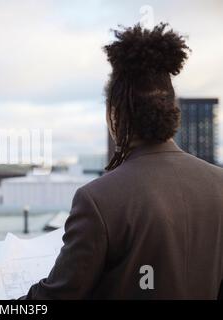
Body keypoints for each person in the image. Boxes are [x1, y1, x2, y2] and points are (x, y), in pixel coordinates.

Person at [21, 23, 223, 299]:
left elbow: (58, 296)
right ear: (172, 109)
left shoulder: (97, 200)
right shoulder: (219, 183)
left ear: (115, 115)